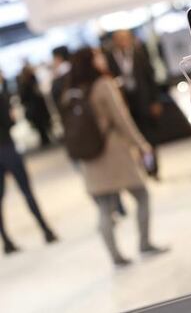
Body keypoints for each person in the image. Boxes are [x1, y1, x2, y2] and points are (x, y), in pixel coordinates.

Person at [69, 47, 167, 267]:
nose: (102, 58)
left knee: (105, 208)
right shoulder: (103, 85)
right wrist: (141, 144)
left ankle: (115, 257)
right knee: (142, 196)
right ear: (92, 61)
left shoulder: (73, 89)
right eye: (98, 56)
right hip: (114, 153)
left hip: (90, 156)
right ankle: (144, 244)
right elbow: (122, 119)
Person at [0, 90, 57, 254]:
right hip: (7, 148)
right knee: (27, 192)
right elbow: (9, 121)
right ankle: (46, 230)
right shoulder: (1, 97)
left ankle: (6, 241)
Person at [105, 30, 163, 179]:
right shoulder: (109, 58)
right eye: (119, 39)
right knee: (133, 137)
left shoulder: (139, 54)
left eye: (125, 38)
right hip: (124, 104)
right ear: (114, 41)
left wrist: (155, 100)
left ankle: (153, 167)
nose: (123, 41)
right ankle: (143, 166)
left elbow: (151, 78)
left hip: (144, 102)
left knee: (149, 137)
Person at [17, 63, 53, 147]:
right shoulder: (26, 83)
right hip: (36, 108)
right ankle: (45, 140)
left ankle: (45, 140)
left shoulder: (30, 80)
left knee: (42, 125)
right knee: (41, 125)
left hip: (37, 107)